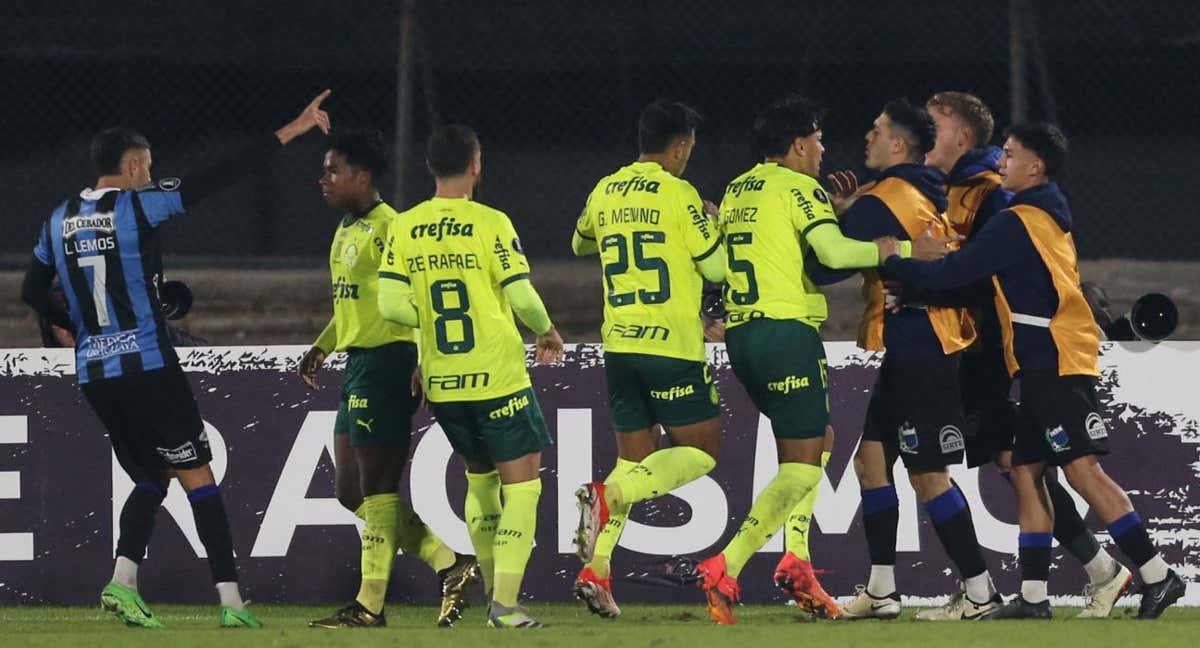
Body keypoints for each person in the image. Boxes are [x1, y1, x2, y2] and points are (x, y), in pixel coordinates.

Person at [20, 90, 334, 629]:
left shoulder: (56, 220)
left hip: (97, 373)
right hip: (148, 365)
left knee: (150, 477)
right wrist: (293, 129)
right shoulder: (140, 204)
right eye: (149, 166)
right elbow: (218, 176)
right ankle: (233, 605)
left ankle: (122, 582)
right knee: (199, 477)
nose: (151, 174)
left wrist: (88, 325)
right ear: (135, 165)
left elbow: (32, 290)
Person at [879, 122, 1186, 620]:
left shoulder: (1018, 220)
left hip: (1058, 360)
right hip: (1041, 361)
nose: (1002, 158)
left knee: (1084, 472)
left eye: (1011, 152)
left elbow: (959, 270)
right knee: (1024, 471)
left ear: (1035, 166)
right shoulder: (1038, 214)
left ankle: (1157, 574)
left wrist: (898, 262)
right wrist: (918, 285)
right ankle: (1034, 599)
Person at [916, 92, 1126, 620]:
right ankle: (1073, 580)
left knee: (1035, 469)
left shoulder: (997, 200)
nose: (923, 132)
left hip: (995, 353)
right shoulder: (956, 191)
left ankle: (1134, 571)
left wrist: (907, 269)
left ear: (962, 137)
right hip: (1001, 354)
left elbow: (981, 271)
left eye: (932, 125)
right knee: (1024, 468)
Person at [691, 94, 899, 624]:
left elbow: (752, 254)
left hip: (744, 337)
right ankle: (726, 562)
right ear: (799, 143)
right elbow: (830, 255)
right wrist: (890, 250)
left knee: (817, 445)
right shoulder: (796, 185)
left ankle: (798, 562)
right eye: (818, 139)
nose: (824, 148)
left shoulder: (738, 189)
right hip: (785, 335)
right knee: (804, 464)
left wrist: (831, 210)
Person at [809, 100, 1001, 620]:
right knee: (871, 462)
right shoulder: (914, 190)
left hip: (922, 346)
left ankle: (981, 591)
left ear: (898, 145)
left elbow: (824, 269)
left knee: (927, 475)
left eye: (875, 130)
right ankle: (882, 590)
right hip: (913, 341)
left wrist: (822, 215)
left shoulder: (884, 199)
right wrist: (854, 212)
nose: (865, 138)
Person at [377, 124, 564, 628]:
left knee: (479, 481)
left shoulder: (405, 226)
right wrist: (546, 330)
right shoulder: (491, 223)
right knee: (522, 489)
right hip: (497, 377)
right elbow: (521, 295)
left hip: (443, 382)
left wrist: (431, 330)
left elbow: (391, 304)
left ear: (429, 168)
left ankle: (490, 597)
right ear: (476, 165)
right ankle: (505, 606)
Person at [299, 130, 477, 629]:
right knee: (349, 491)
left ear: (363, 176)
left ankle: (369, 606)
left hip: (389, 362)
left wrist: (423, 358)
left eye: (333, 171)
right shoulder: (345, 229)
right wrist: (322, 345)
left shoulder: (392, 229)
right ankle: (449, 562)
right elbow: (351, 306)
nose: (324, 180)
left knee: (377, 489)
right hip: (357, 364)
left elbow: (420, 301)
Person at [569, 99, 726, 619]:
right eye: (689, 149)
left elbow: (578, 241)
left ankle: (598, 571)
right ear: (680, 146)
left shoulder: (605, 187)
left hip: (620, 346)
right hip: (671, 347)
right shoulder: (681, 195)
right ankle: (605, 495)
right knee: (701, 451)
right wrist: (713, 221)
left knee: (635, 463)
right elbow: (718, 266)